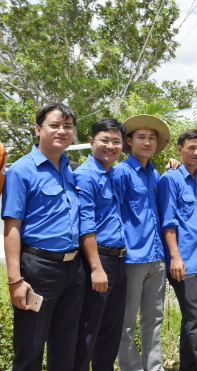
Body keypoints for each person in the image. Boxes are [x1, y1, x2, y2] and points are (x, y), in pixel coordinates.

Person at [2, 103, 83, 370]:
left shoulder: (69, 169)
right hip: (38, 270)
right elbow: (12, 227)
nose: (62, 131)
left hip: (73, 269)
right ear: (38, 129)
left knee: (65, 347)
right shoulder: (21, 171)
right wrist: (16, 280)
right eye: (55, 125)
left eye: (68, 126)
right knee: (31, 347)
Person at [157, 129, 197, 370]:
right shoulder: (170, 179)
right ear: (180, 149)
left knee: (193, 320)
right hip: (184, 262)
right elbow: (168, 222)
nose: (196, 152)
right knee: (196, 319)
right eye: (191, 147)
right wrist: (175, 257)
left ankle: (189, 367)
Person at [115, 114, 170, 371]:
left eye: (151, 138)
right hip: (132, 258)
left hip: (157, 257)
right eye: (141, 137)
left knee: (154, 319)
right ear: (129, 141)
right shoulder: (121, 173)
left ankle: (154, 367)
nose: (147, 142)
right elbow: (112, 214)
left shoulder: (155, 173)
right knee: (125, 322)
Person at [72, 118, 128, 371]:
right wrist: (96, 268)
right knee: (88, 329)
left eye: (116, 141)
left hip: (118, 260)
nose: (110, 146)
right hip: (98, 261)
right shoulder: (85, 176)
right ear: (92, 142)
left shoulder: (113, 173)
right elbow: (86, 225)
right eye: (104, 140)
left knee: (111, 331)